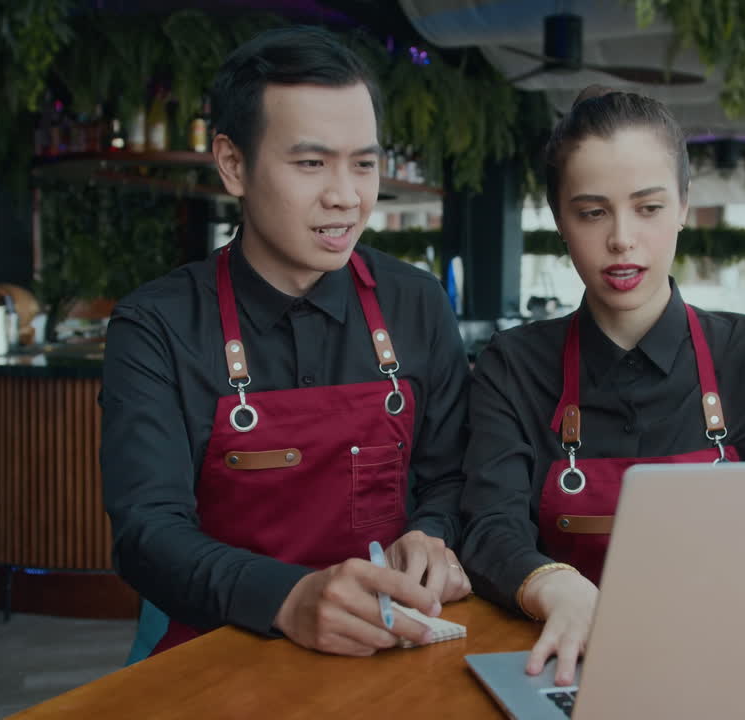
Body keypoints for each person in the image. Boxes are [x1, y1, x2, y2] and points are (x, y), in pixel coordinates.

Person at [459, 86, 745, 685]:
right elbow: (488, 526)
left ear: (684, 206)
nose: (622, 238)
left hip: (737, 662)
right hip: (568, 666)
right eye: (592, 212)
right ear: (559, 218)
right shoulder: (513, 366)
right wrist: (552, 585)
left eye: (648, 207)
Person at [101, 26, 471, 658]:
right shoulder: (155, 327)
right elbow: (147, 531)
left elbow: (453, 475)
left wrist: (431, 535)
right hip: (222, 649)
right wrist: (289, 598)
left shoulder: (417, 302)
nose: (345, 196)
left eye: (363, 163)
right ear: (233, 164)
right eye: (310, 162)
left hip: (394, 645)